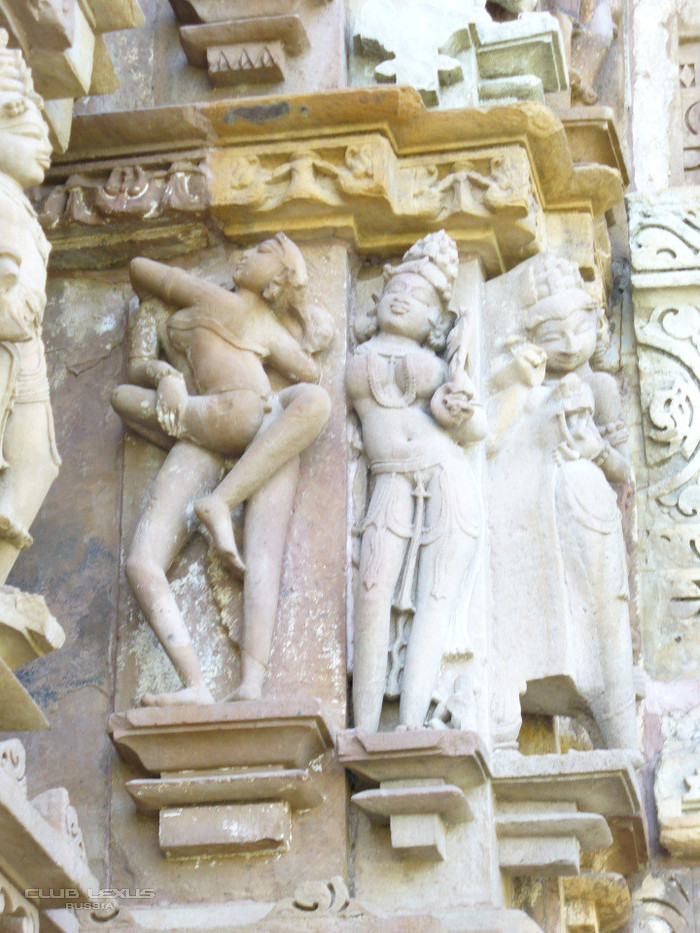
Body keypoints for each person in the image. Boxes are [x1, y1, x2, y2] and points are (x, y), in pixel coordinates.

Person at [111, 234, 332, 705]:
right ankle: (195, 685)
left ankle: (251, 683)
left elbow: (310, 373)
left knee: (265, 549)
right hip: (203, 424)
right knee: (141, 563)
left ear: (275, 283)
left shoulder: (251, 317)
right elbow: (140, 273)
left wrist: (305, 319)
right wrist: (166, 376)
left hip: (256, 419)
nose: (246, 253)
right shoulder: (199, 301)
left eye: (263, 252)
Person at [488, 254, 637, 753]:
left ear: (597, 326)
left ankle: (615, 716)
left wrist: (597, 452)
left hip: (586, 521)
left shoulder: (600, 386)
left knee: (604, 630)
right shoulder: (523, 382)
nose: (571, 345)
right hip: (525, 519)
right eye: (555, 335)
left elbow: (624, 472)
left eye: (580, 329)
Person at [347, 230, 486, 733]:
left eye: (420, 297)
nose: (403, 297)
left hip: (445, 474)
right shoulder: (359, 351)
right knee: (371, 592)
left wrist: (455, 405)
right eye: (397, 288)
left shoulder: (443, 363)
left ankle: (409, 724)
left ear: (434, 322)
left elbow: (476, 427)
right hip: (388, 480)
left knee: (434, 599)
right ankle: (364, 727)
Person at [0, 32, 59, 586]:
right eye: (27, 132)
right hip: (7, 342)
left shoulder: (17, 204)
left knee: (37, 463)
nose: (45, 144)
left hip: (24, 348)